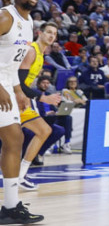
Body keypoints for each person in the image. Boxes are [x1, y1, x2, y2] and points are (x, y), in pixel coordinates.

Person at [0, 0, 45, 222]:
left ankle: (10, 206)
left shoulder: (28, 23)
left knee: (14, 139)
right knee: (13, 139)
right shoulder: (5, 17)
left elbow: (12, 64)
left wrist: (18, 91)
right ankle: (10, 205)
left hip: (7, 84)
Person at [18, 22, 64, 190]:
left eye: (55, 34)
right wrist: (44, 98)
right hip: (11, 98)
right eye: (49, 32)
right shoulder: (31, 51)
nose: (52, 36)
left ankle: (21, 175)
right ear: (40, 33)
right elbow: (19, 83)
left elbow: (25, 86)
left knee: (44, 131)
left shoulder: (41, 54)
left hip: (21, 99)